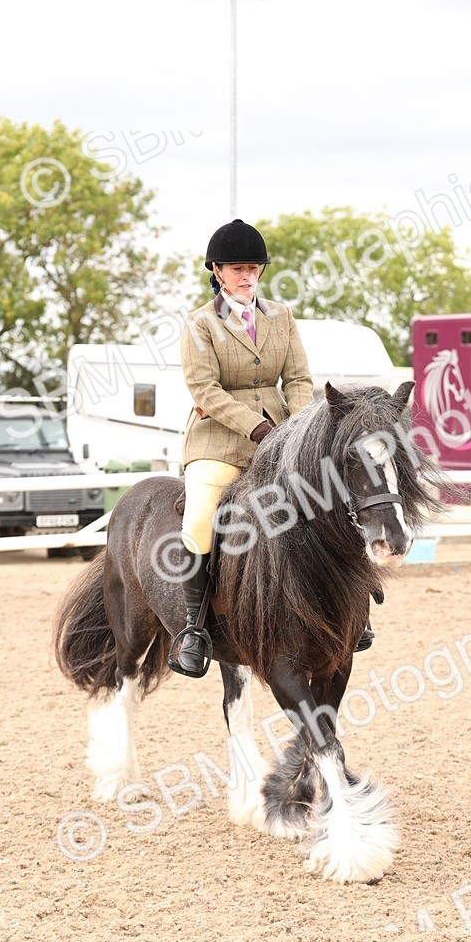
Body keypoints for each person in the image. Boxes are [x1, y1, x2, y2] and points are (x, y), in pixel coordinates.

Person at [168, 219, 314, 677]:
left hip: (281, 437)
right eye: (237, 269)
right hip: (218, 440)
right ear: (217, 271)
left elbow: (298, 379)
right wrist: (257, 427)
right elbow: (205, 390)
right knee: (200, 517)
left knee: (326, 495)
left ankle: (352, 608)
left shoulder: (282, 317)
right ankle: (194, 628)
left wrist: (298, 429)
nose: (247, 276)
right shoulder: (199, 324)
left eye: (253, 268)